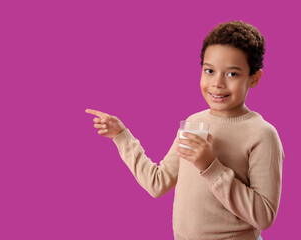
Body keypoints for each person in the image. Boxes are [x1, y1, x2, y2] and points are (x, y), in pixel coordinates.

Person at [85, 20, 284, 240]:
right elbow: (157, 183)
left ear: (254, 78)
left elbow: (264, 216)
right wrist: (121, 137)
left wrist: (210, 165)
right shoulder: (193, 123)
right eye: (209, 70)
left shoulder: (262, 134)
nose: (217, 83)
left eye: (232, 74)